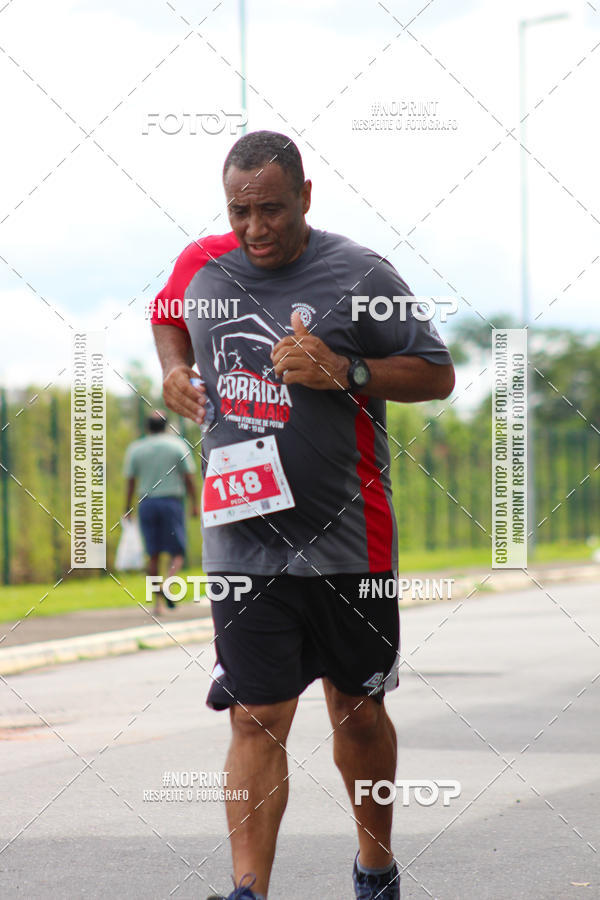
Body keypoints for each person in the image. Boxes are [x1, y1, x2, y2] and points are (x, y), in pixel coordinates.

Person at [150, 131, 455, 899]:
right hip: (243, 540)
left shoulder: (361, 273)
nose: (256, 228)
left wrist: (344, 368)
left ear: (306, 197)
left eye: (273, 210)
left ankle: (375, 867)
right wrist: (174, 371)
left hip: (350, 541)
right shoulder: (202, 264)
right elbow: (167, 314)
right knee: (255, 717)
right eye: (240, 211)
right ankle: (248, 890)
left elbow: (437, 373)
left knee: (356, 713)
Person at [123, 410, 199, 614]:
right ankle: (168, 583)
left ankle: (157, 603)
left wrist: (127, 507)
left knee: (153, 554)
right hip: (171, 502)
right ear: (166, 426)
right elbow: (189, 477)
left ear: (147, 426)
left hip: (146, 503)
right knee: (178, 552)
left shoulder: (136, 449)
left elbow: (130, 481)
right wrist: (195, 503)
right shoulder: (177, 445)